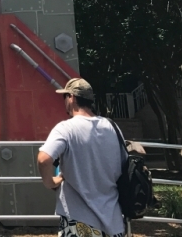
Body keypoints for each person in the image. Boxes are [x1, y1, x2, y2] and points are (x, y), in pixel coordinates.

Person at [37, 78, 126, 237]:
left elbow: (44, 159)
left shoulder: (66, 128)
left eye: (64, 97)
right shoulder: (113, 127)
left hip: (78, 220)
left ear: (71, 97)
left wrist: (50, 182)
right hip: (113, 219)